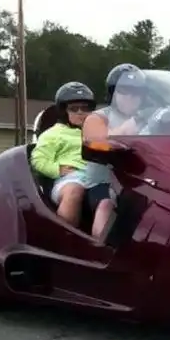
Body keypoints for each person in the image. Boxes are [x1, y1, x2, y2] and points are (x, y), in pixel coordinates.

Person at [31, 82, 111, 238]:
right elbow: (38, 160)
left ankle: (105, 244)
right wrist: (58, 169)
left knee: (119, 196)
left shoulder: (99, 132)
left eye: (85, 108)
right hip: (70, 178)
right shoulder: (53, 134)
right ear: (63, 112)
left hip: (99, 176)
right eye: (74, 109)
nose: (80, 112)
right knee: (74, 191)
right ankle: (63, 239)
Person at [82, 64, 148, 236]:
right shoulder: (98, 117)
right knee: (106, 204)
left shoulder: (148, 119)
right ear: (113, 93)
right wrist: (124, 131)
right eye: (124, 91)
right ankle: (99, 246)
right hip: (103, 182)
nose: (130, 97)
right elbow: (95, 141)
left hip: (138, 182)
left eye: (136, 92)